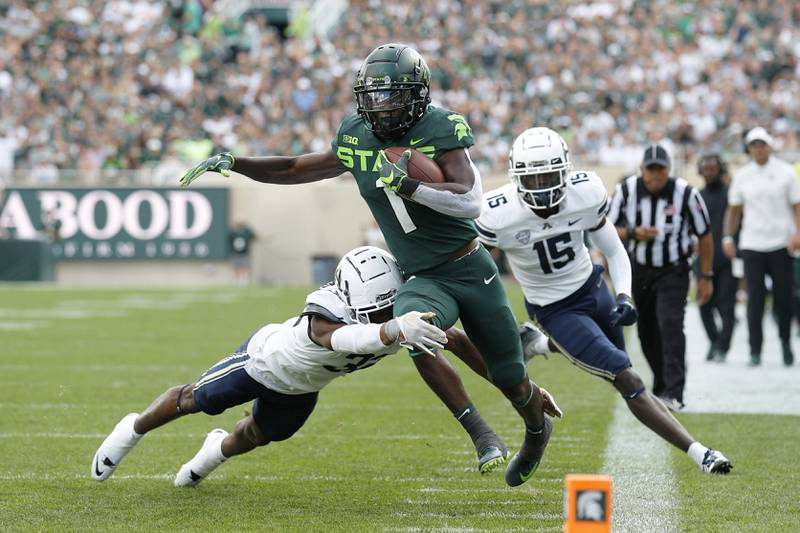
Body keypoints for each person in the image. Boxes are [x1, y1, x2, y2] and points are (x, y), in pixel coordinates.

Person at [178, 43, 557, 485]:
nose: (381, 106)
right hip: (421, 275)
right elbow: (298, 167)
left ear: (417, 94)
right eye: (374, 95)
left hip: (470, 267)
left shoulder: (441, 128)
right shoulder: (357, 135)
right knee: (413, 327)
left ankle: (536, 428)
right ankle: (481, 434)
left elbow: (470, 201)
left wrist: (411, 186)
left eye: (392, 95)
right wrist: (237, 162)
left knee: (510, 377)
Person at [91, 246, 563, 485]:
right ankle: (132, 430)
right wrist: (390, 330)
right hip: (263, 363)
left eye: (389, 308)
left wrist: (522, 384)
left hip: (303, 388)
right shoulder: (327, 310)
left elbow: (457, 341)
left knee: (259, 434)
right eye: (376, 310)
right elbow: (338, 337)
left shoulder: (390, 312)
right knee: (198, 399)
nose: (385, 315)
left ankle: (211, 455)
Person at [477, 127, 731, 475]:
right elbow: (475, 267)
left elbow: (613, 248)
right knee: (627, 379)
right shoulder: (497, 214)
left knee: (622, 371)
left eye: (550, 175)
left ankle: (538, 344)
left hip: (594, 288)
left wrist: (624, 294)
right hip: (555, 309)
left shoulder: (585, 192)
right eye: (532, 179)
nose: (542, 186)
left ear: (565, 170)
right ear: (516, 178)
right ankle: (701, 453)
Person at [608, 144, 714, 412]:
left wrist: (706, 275)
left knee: (670, 323)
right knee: (647, 332)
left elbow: (704, 234)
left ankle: (675, 392)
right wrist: (633, 233)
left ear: (669, 170)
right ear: (642, 169)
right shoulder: (626, 191)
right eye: (651, 169)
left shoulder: (686, 193)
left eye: (661, 169)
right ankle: (661, 383)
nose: (656, 175)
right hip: (640, 268)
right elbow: (606, 229)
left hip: (673, 269)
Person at [722, 127, 800, 367]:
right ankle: (755, 350)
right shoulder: (743, 176)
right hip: (752, 244)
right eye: (754, 145)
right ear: (749, 149)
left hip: (780, 243)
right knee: (754, 300)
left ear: (769, 146)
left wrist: (798, 233)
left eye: (762, 144)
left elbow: (797, 206)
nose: (758, 149)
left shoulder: (786, 172)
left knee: (783, 299)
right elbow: (734, 210)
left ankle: (786, 344)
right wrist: (727, 237)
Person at [697, 154, 738, 362]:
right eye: (706, 168)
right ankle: (714, 341)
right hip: (703, 258)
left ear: (721, 169)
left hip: (727, 258)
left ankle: (723, 347)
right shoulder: (697, 196)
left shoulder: (732, 194)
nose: (710, 172)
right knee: (704, 304)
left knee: (726, 304)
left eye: (713, 168)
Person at [229, 221, 256, 286]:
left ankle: (245, 281)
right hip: (236, 253)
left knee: (245, 268)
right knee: (237, 268)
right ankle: (238, 281)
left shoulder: (247, 233)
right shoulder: (233, 233)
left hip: (244, 254)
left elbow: (254, 236)